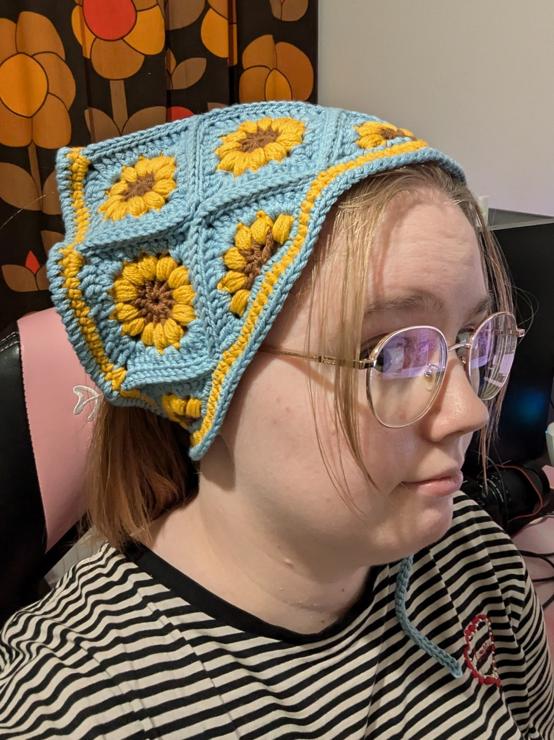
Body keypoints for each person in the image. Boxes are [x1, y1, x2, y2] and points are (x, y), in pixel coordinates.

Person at [0, 101, 552, 739]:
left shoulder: (477, 565)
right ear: (214, 382)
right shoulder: (76, 710)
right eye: (394, 352)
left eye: (468, 340)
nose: (469, 411)